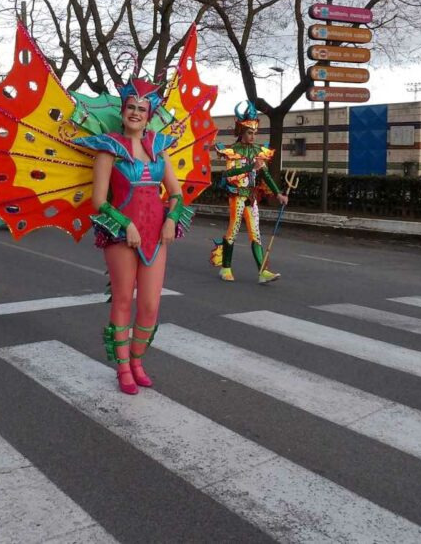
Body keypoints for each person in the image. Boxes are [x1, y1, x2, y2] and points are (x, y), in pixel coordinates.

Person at [74, 81, 192, 395]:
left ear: (149, 114)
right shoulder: (108, 148)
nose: (136, 113)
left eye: (142, 109)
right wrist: (125, 224)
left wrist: (171, 218)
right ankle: (123, 367)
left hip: (156, 234)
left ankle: (137, 361)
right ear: (123, 110)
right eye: (131, 107)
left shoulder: (159, 145)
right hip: (121, 234)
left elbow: (176, 193)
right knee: (124, 299)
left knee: (151, 305)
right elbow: (99, 200)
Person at [210, 100, 289, 284]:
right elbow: (228, 174)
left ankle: (263, 272)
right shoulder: (232, 151)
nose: (253, 136)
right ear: (241, 132)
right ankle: (226, 268)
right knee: (233, 231)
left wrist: (278, 193)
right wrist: (249, 168)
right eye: (249, 133)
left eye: (254, 133)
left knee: (256, 233)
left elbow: (265, 174)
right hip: (237, 196)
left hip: (251, 198)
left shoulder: (258, 151)